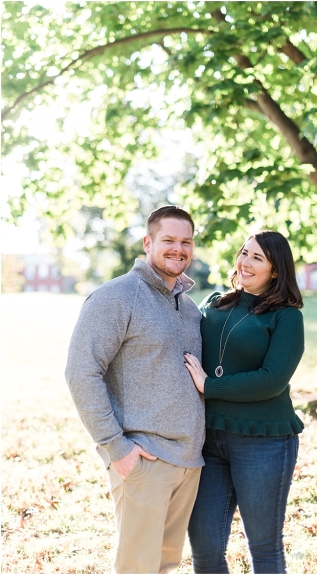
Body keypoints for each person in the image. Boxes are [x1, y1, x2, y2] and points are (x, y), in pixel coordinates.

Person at [64, 206, 205, 574]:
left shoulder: (189, 308)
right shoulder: (117, 296)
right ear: (147, 242)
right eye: (168, 240)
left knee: (164, 565)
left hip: (187, 461)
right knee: (136, 569)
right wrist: (117, 448)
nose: (179, 249)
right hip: (142, 461)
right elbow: (82, 372)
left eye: (186, 241)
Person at [183, 230, 304, 574]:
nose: (246, 262)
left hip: (264, 440)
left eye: (258, 258)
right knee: (204, 549)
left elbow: (272, 379)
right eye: (244, 253)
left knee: (263, 547)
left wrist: (211, 386)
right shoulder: (214, 303)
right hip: (208, 441)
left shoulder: (286, 316)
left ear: (276, 270)